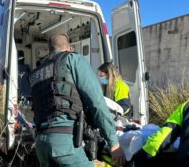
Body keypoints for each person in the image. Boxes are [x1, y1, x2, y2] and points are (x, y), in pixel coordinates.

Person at [30, 33, 125, 167]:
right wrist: (114, 143)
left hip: (42, 144)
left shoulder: (37, 72)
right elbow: (96, 103)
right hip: (66, 144)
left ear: (50, 50)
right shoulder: (73, 60)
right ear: (69, 48)